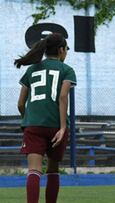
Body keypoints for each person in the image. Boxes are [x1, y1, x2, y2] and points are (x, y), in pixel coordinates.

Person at [15, 33, 76, 203]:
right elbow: (63, 97)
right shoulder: (67, 70)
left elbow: (20, 104)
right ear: (61, 50)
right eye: (67, 49)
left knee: (34, 170)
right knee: (53, 169)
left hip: (33, 125)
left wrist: (29, 120)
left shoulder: (31, 69)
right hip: (56, 126)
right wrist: (63, 127)